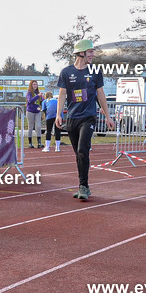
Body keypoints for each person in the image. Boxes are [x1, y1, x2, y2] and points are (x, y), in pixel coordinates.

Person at [55, 40, 115, 200]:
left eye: (93, 52)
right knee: (78, 154)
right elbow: (62, 94)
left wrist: (108, 116)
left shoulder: (95, 71)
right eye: (90, 52)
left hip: (88, 117)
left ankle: (83, 186)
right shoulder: (66, 72)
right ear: (81, 52)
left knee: (83, 150)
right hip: (72, 118)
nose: (93, 55)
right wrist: (59, 114)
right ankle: (84, 185)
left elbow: (100, 94)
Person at [24, 80, 43, 149]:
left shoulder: (38, 92)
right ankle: (30, 143)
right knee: (30, 127)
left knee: (38, 126)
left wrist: (42, 98)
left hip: (37, 111)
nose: (35, 85)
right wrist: (37, 96)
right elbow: (30, 100)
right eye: (34, 84)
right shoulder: (29, 92)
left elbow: (41, 101)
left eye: (36, 84)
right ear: (31, 85)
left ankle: (39, 142)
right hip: (30, 111)